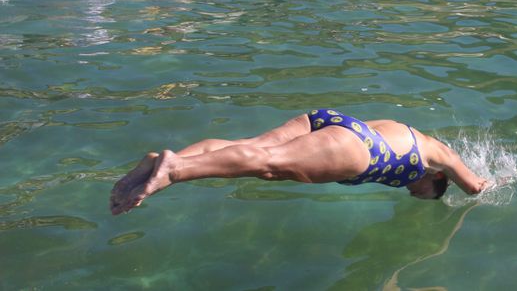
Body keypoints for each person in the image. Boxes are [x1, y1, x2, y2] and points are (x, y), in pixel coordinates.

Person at [109, 108, 490, 215]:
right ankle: (175, 169)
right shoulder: (439, 156)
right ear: (437, 178)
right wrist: (498, 181)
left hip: (332, 120)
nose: (412, 191)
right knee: (266, 163)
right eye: (421, 191)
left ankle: (162, 160)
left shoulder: (414, 133)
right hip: (359, 151)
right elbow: (474, 186)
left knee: (252, 148)